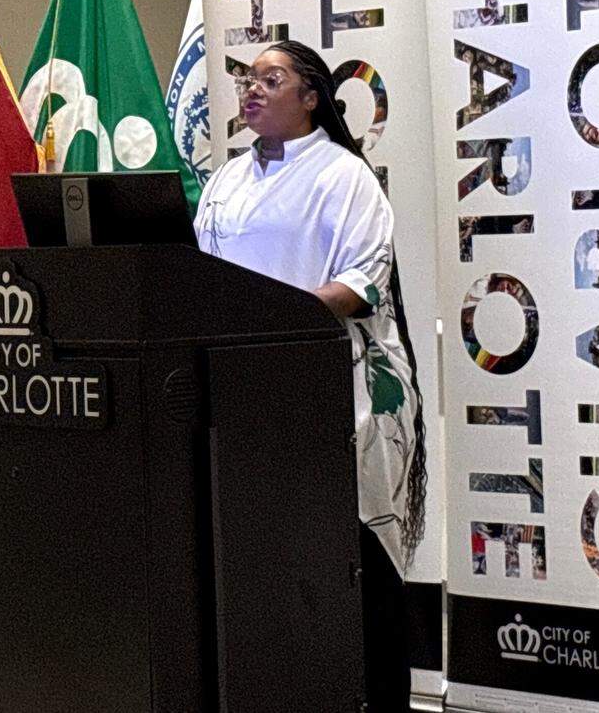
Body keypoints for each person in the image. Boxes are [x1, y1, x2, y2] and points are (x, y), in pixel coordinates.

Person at [194, 40, 427, 712]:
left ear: (312, 95)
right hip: (246, 395)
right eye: (246, 79)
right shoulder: (225, 180)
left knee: (359, 560)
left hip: (342, 391)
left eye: (271, 78)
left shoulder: (346, 176)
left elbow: (358, 285)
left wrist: (265, 317)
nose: (251, 90)